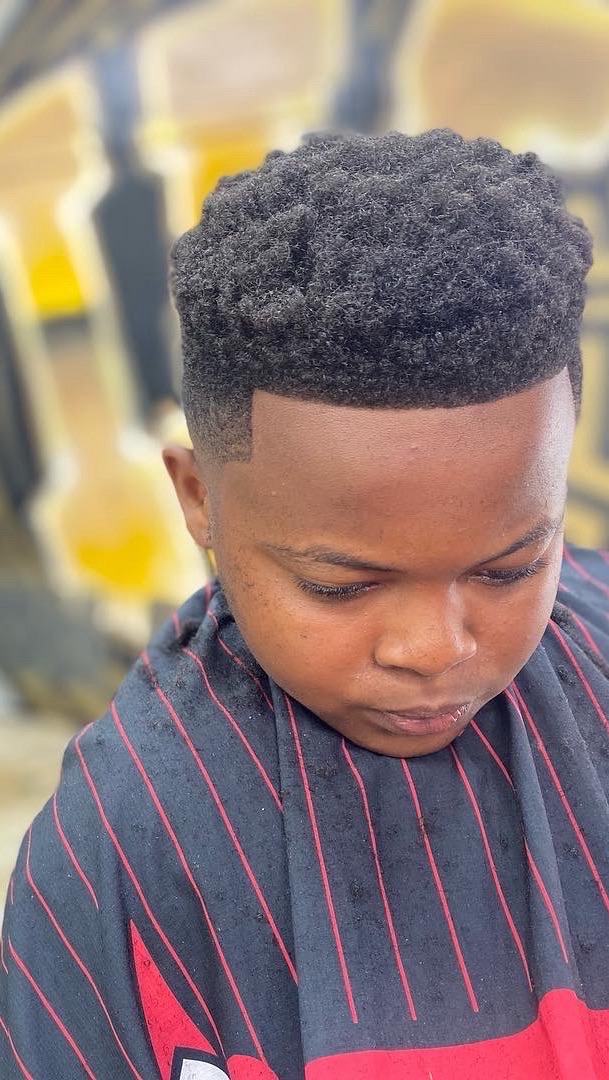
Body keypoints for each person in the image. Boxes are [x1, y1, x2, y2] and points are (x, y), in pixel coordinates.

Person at [1, 128, 608, 1080]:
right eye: (340, 586)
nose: (435, 648)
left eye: (509, 567)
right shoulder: (127, 851)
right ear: (198, 498)